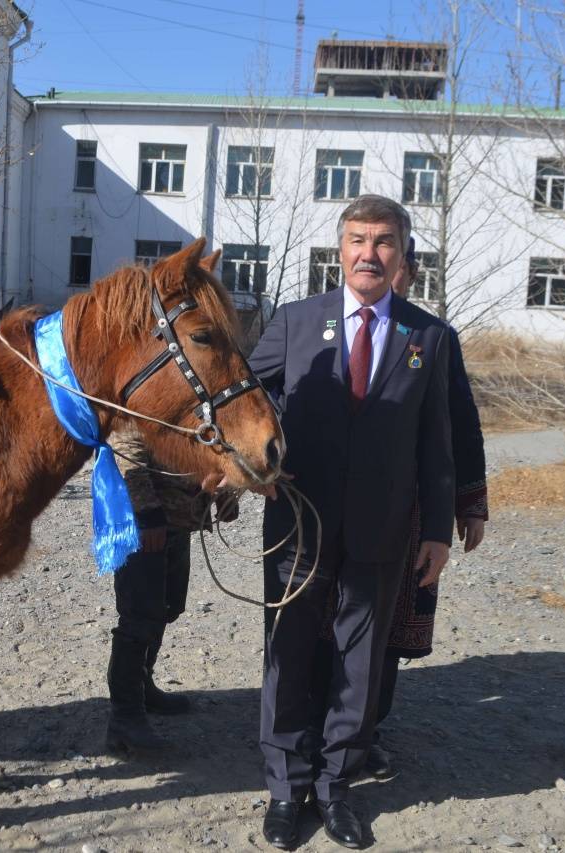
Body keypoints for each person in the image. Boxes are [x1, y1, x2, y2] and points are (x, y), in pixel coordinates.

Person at [248, 196, 455, 849]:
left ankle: (336, 786)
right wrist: (248, 467)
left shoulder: (429, 337)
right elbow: (248, 403)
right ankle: (286, 788)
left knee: (360, 661)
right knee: (286, 652)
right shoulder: (293, 321)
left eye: (384, 241)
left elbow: (436, 442)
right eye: (358, 240)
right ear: (339, 250)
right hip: (298, 520)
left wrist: (438, 530)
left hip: (382, 526)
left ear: (402, 253)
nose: (369, 253)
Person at [315, 237, 490, 782]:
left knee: (385, 627)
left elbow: (457, 423)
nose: (386, 270)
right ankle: (311, 725)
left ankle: (366, 731)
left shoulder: (432, 338)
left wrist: (468, 503)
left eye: (399, 263)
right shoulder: (317, 326)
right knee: (317, 616)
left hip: (405, 508)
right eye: (363, 250)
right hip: (325, 503)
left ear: (407, 272)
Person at [103, 427, 222, 754]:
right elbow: (125, 446)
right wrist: (147, 513)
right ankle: (125, 718)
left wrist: (224, 495)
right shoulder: (147, 390)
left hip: (179, 518)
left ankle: (143, 683)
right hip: (147, 524)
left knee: (167, 607)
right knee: (138, 616)